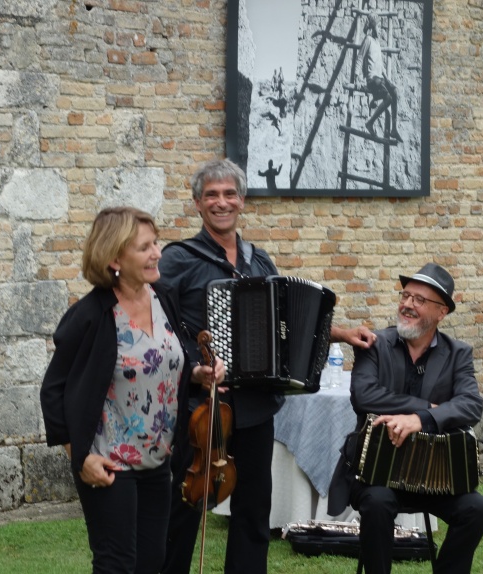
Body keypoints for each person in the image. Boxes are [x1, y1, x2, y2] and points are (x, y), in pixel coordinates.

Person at [159, 158, 375, 574]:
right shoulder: (177, 261)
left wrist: (341, 333)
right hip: (200, 408)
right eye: (211, 196)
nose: (221, 203)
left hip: (255, 406)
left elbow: (285, 328)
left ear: (242, 201)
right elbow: (158, 326)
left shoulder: (259, 262)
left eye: (229, 194)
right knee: (185, 507)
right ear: (197, 204)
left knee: (254, 509)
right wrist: (193, 368)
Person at [40, 206, 224, 574]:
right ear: (114, 259)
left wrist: (198, 374)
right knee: (118, 565)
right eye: (144, 247)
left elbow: (161, 361)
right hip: (110, 465)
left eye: (155, 243)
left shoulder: (163, 298)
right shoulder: (91, 315)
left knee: (152, 562)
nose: (157, 253)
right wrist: (80, 457)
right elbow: (53, 389)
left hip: (158, 462)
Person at [328, 263, 483, 574]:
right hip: (375, 473)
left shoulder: (458, 354)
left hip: (433, 476)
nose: (407, 305)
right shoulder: (375, 344)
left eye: (419, 300)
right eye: (405, 296)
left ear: (442, 312)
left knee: (475, 508)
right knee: (377, 503)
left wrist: (422, 420)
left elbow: (471, 405)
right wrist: (424, 407)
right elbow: (363, 395)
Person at [356, 13, 403, 142]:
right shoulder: (368, 40)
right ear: (373, 26)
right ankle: (370, 123)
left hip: (380, 79)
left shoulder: (377, 43)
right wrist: (357, 77)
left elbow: (381, 66)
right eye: (378, 25)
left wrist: (388, 80)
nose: (380, 28)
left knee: (395, 91)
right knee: (388, 98)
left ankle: (394, 128)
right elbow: (360, 57)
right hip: (372, 79)